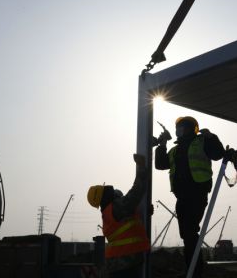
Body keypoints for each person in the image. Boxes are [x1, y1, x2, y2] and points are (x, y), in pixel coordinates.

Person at [154, 116, 224, 278]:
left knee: (190, 231)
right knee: (187, 235)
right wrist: (162, 144)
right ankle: (192, 269)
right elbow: (160, 164)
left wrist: (211, 137)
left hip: (197, 194)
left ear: (189, 128)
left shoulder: (201, 142)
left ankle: (195, 271)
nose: (177, 130)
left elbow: (218, 154)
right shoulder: (175, 150)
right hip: (182, 197)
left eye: (180, 127)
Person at [87, 154, 150, 278]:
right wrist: (141, 167)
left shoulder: (109, 212)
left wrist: (146, 211)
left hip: (120, 263)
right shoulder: (116, 207)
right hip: (125, 263)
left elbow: (129, 220)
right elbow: (136, 192)